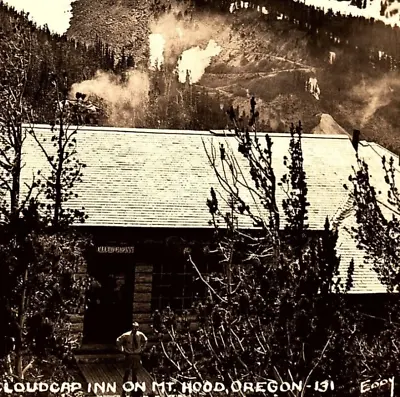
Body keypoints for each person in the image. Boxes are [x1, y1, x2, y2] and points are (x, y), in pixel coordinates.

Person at [116, 322, 148, 397]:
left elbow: (145, 340)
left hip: (137, 355)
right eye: (134, 327)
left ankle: (134, 390)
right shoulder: (126, 335)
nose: (135, 329)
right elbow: (118, 340)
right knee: (127, 372)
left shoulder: (140, 335)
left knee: (135, 373)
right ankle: (124, 390)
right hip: (129, 355)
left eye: (136, 328)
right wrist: (122, 349)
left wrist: (142, 348)